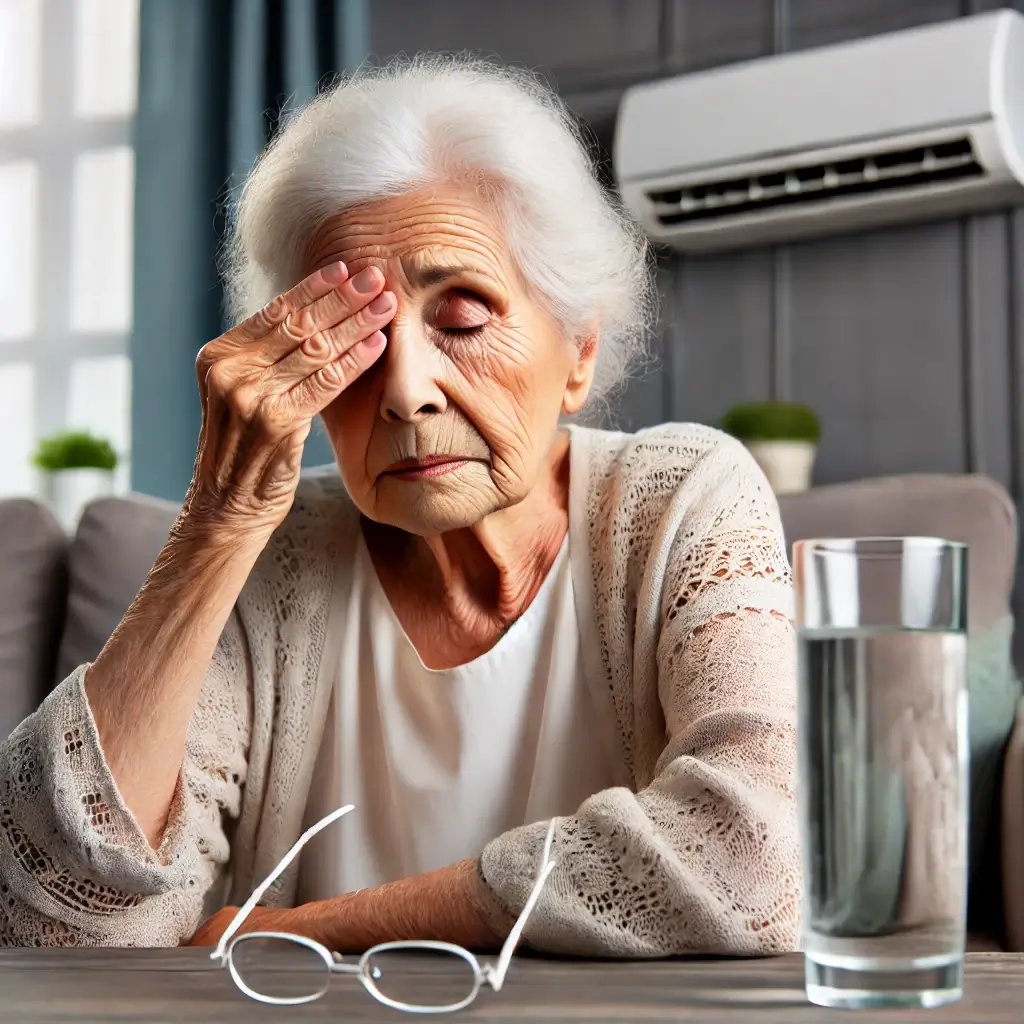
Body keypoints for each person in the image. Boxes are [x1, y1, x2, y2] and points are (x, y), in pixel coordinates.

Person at [0, 55, 799, 955]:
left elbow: (757, 859)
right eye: (356, 337)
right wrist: (215, 526)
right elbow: (49, 925)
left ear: (578, 351)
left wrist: (312, 930)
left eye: (462, 320)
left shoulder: (685, 502)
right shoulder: (276, 555)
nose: (405, 390)